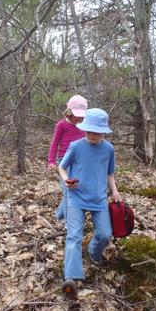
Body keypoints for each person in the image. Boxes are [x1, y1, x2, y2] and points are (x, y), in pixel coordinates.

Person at [58, 108, 120, 299]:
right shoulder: (76, 146)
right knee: (74, 236)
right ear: (84, 129)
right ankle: (71, 277)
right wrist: (67, 180)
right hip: (76, 197)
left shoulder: (108, 149)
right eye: (89, 131)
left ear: (104, 131)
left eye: (97, 132)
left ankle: (93, 253)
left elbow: (110, 173)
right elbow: (62, 167)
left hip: (99, 199)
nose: (92, 135)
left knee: (104, 234)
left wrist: (115, 190)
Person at [48, 95, 87, 222]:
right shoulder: (62, 125)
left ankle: (59, 216)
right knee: (67, 191)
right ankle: (67, 222)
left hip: (79, 163)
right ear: (69, 112)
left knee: (74, 190)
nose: (79, 119)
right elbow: (55, 143)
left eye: (81, 116)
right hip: (64, 162)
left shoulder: (83, 125)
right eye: (77, 116)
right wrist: (51, 161)